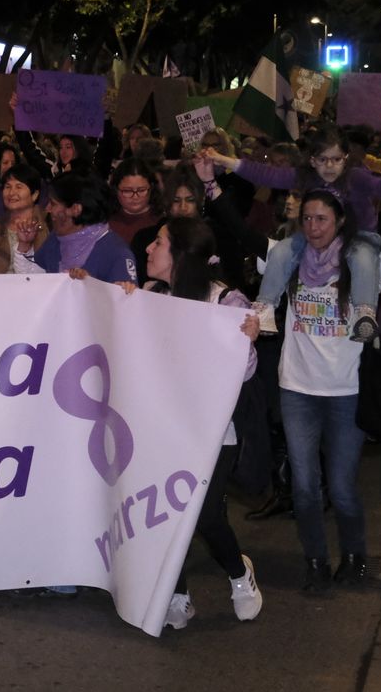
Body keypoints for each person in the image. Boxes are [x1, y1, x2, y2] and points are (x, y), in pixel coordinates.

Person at [128, 217, 263, 628]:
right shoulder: (151, 295)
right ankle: (178, 594)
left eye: (158, 243)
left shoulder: (226, 302)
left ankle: (239, 574)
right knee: (166, 516)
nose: (149, 248)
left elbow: (245, 372)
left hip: (213, 433)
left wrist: (248, 342)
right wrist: (113, 300)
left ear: (181, 255)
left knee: (205, 516)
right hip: (164, 430)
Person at [201, 124, 381, 341]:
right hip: (313, 239)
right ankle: (266, 306)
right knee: (281, 251)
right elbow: (268, 175)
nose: (329, 166)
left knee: (363, 257)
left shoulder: (356, 178)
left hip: (359, 237)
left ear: (346, 158)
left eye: (336, 159)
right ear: (312, 160)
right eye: (323, 159)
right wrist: (226, 161)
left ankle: (364, 312)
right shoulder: (307, 179)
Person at [276, 190, 372, 591]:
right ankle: (315, 561)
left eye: (322, 219)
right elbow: (239, 236)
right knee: (304, 487)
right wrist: (212, 187)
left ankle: (354, 555)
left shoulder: (361, 262)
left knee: (343, 488)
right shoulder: (289, 259)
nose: (313, 227)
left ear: (340, 221)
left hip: (346, 392)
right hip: (297, 390)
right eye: (307, 219)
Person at [32, 172, 137, 283]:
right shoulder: (56, 238)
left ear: (76, 209)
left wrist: (91, 286)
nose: (48, 209)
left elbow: (126, 293)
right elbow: (35, 278)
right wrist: (25, 246)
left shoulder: (117, 253)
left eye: (53, 203)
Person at [0, 163, 50, 275]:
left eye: (19, 187)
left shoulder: (49, 224)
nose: (12, 193)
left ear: (34, 195)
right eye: (7, 187)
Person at [108, 158, 160, 246]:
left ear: (151, 188)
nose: (135, 197)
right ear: (115, 190)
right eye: (127, 191)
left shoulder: (161, 222)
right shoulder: (106, 222)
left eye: (141, 190)